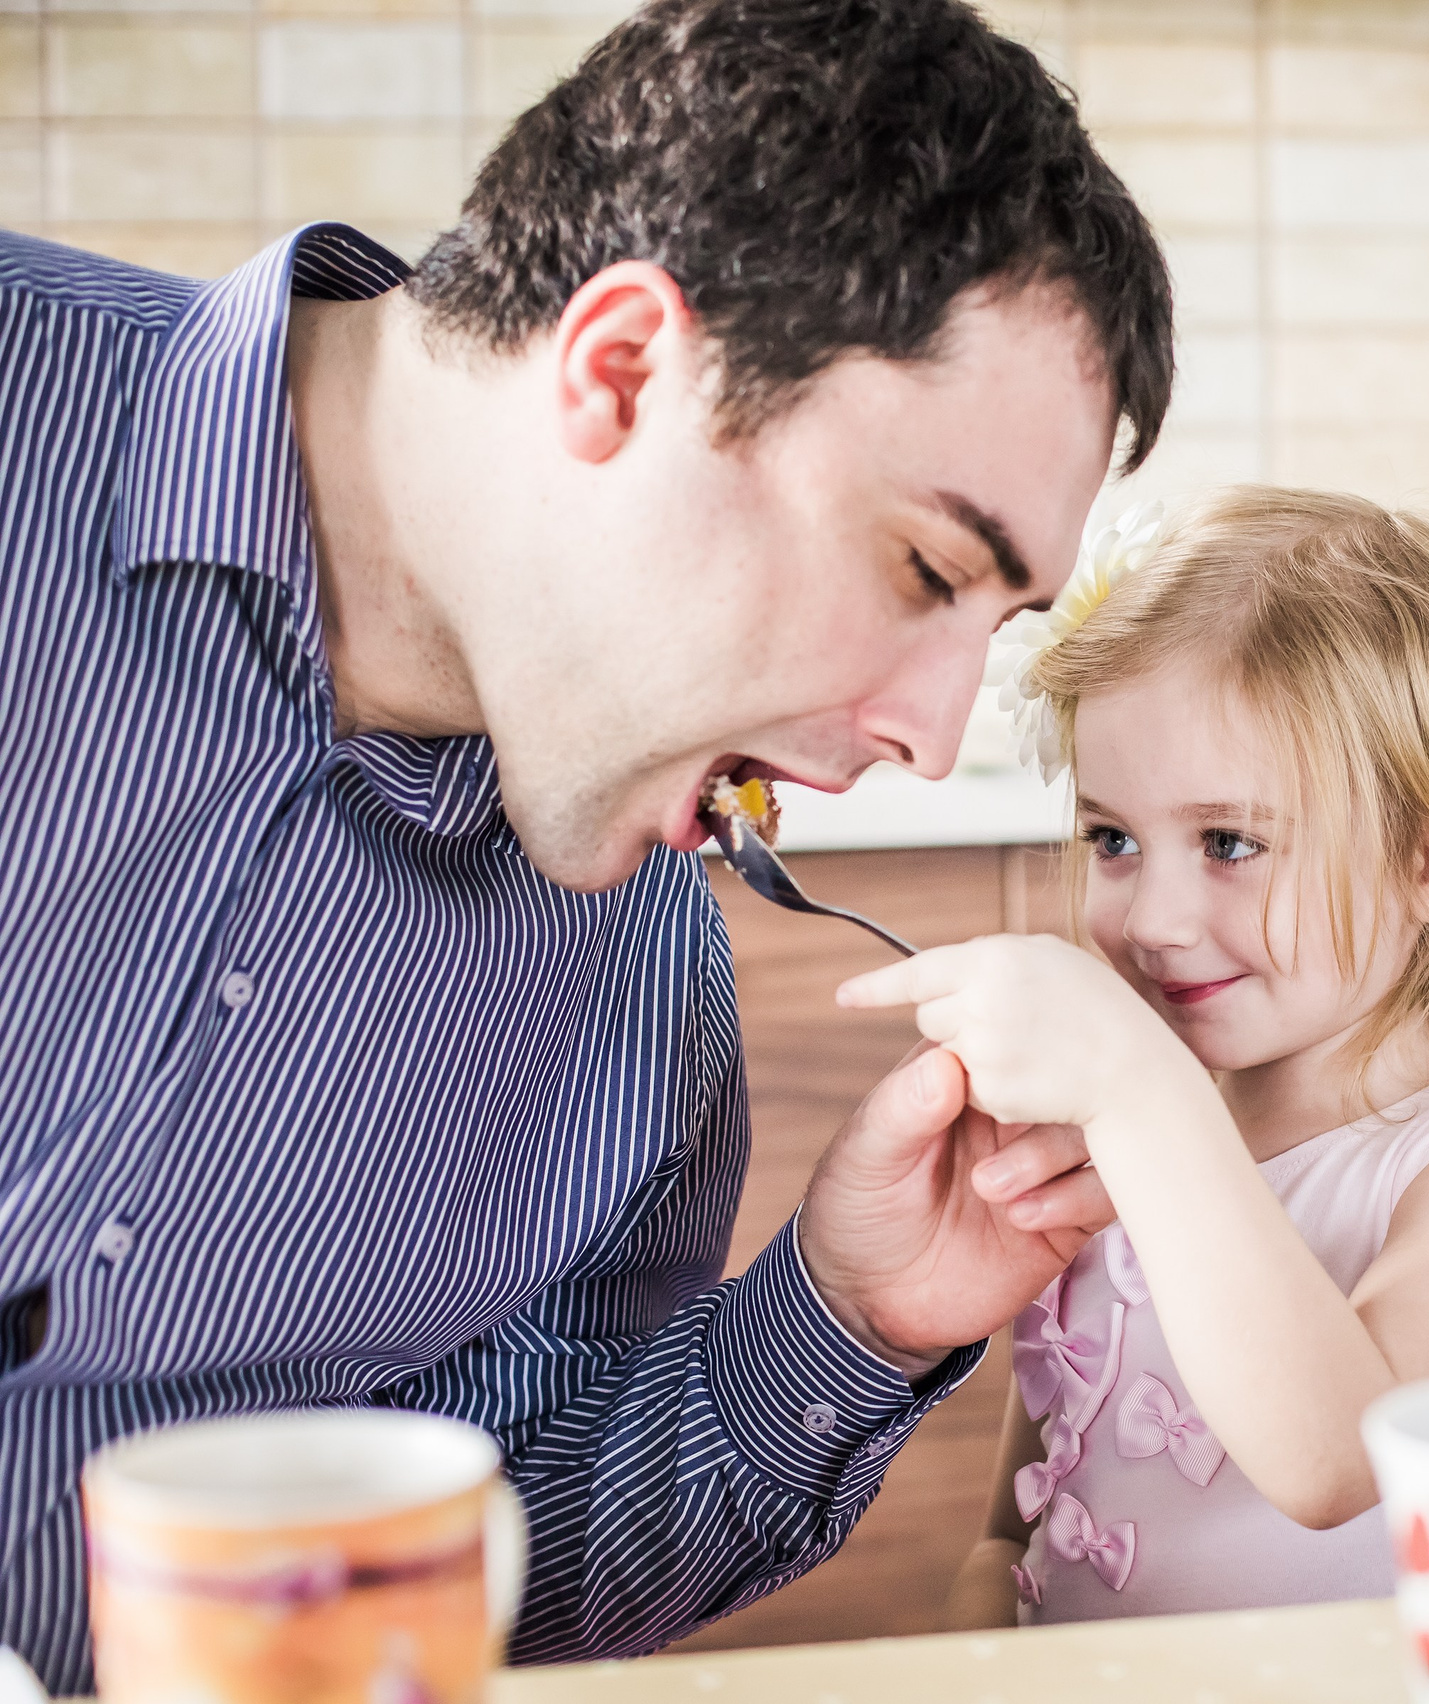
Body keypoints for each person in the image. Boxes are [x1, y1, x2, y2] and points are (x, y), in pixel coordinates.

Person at [0, 0, 1171, 1689]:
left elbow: (494, 1563)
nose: (929, 733)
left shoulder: (642, 989)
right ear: (620, 368)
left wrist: (841, 1314)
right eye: (926, 570)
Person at [838, 487, 1429, 1626]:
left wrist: (1139, 1097)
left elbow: (1336, 1460)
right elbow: (1012, 1532)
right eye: (1113, 839)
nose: (1157, 917)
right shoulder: (1123, 1143)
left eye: (1230, 843)